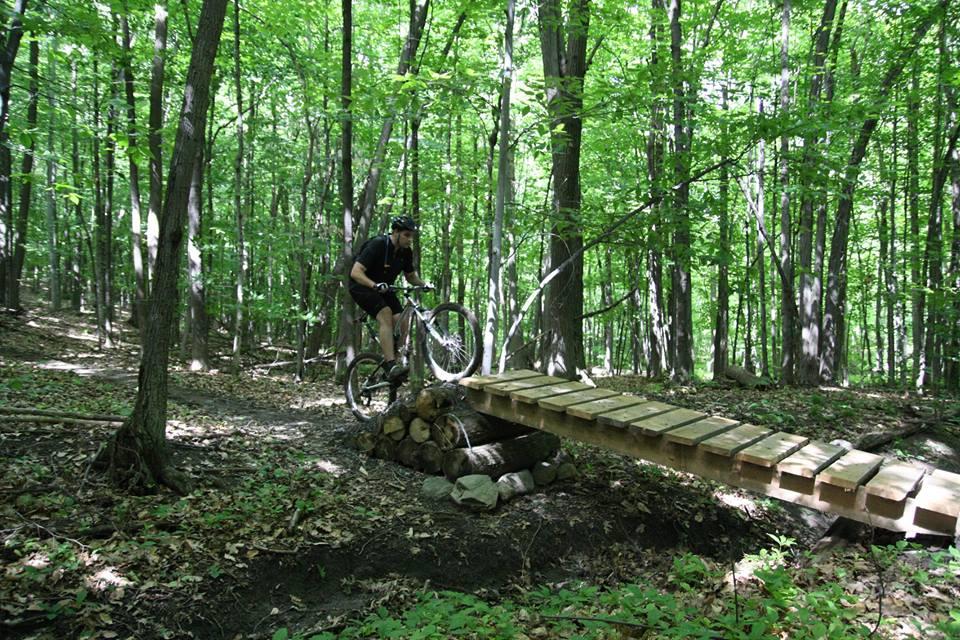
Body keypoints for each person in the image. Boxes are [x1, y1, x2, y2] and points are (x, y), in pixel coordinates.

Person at [349, 215, 431, 382]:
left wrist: (424, 284)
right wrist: (374, 285)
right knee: (385, 314)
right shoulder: (378, 244)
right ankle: (391, 364)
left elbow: (410, 276)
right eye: (406, 235)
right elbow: (355, 272)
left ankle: (398, 363)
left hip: (385, 289)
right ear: (395, 232)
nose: (410, 239)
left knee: (403, 320)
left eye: (412, 236)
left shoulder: (406, 252)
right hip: (362, 286)